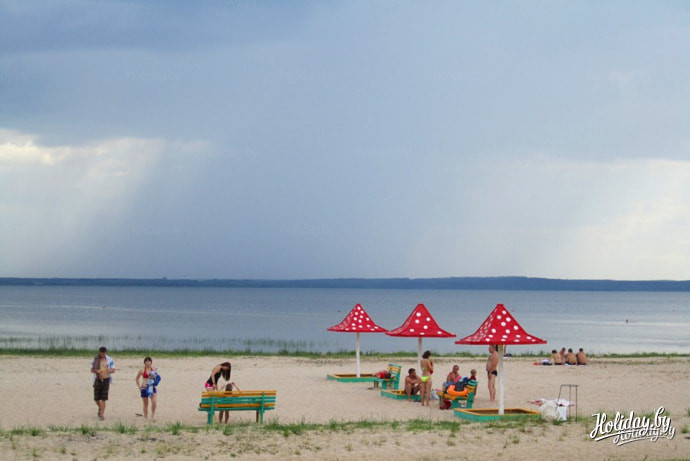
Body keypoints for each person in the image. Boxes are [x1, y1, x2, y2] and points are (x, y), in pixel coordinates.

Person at [90, 346, 115, 421]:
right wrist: (97, 371)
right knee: (96, 398)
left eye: (104, 354)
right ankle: (100, 408)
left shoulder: (109, 359)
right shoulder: (95, 359)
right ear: (99, 353)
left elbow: (113, 370)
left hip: (106, 379)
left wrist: (108, 370)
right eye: (102, 354)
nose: (103, 355)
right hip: (98, 379)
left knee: (104, 398)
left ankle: (102, 414)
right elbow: (91, 370)